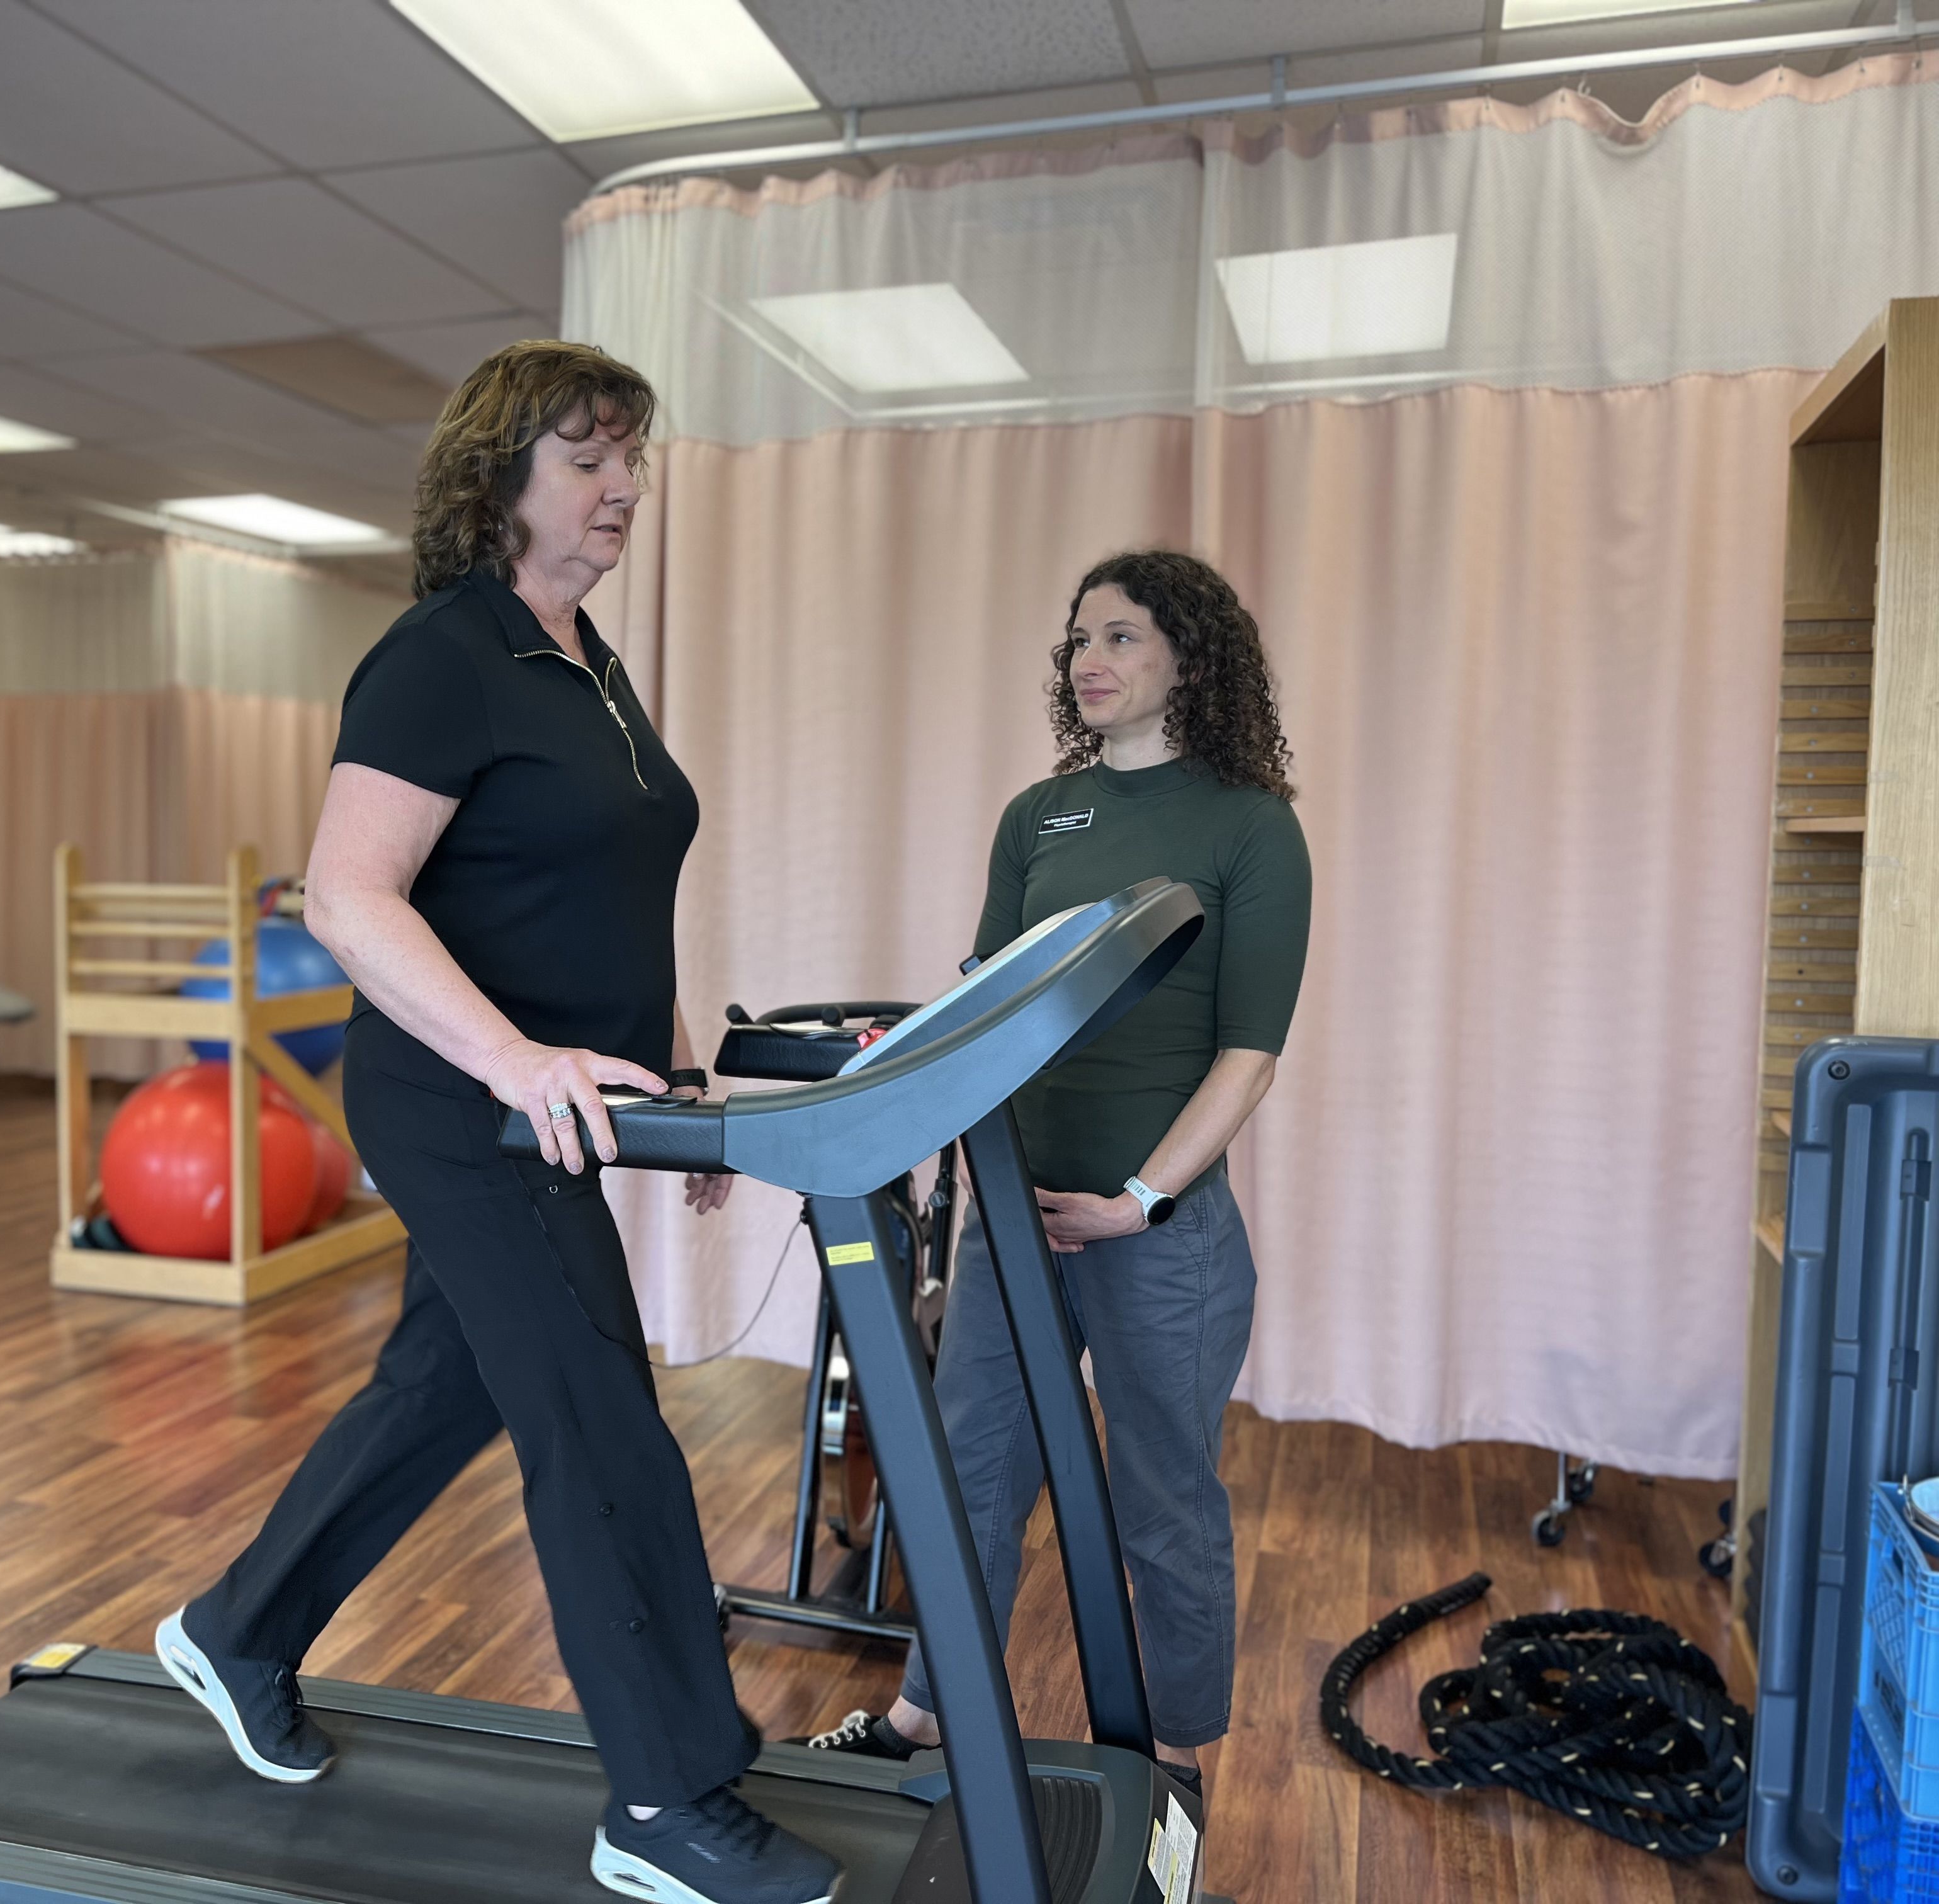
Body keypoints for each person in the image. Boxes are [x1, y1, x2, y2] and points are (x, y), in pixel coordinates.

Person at [152, 340, 841, 1904]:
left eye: (632, 461)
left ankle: (238, 1629)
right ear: (500, 477)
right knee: (597, 1420)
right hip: (461, 1107)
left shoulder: (581, 656)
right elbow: (348, 896)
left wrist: (668, 1073)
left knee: (443, 1386)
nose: (624, 491)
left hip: (564, 1110)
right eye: (591, 461)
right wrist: (524, 1064)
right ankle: (663, 1803)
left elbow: (594, 886)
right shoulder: (442, 655)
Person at [805, 550, 1311, 1805]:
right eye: (1079, 639)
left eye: (1123, 637)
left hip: (1157, 1234)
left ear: (1191, 659)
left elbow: (1251, 1055)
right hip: (1013, 1219)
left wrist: (1142, 1199)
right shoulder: (1041, 817)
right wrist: (898, 1078)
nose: (1089, 659)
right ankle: (924, 1714)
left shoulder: (1252, 826)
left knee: (1162, 1499)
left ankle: (1173, 1759)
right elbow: (983, 1003)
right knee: (971, 1472)